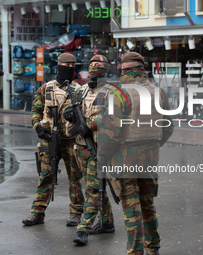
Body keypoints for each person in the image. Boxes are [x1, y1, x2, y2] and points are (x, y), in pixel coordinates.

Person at [97, 52, 174, 255]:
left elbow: (109, 134)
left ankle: (135, 251)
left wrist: (102, 158)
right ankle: (153, 247)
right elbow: (168, 127)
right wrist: (153, 144)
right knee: (148, 204)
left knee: (131, 208)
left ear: (123, 69)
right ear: (142, 68)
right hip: (150, 158)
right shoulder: (159, 92)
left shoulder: (119, 94)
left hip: (125, 159)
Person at [22, 53, 84, 227]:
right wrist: (38, 128)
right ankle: (37, 213)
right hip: (49, 139)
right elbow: (35, 111)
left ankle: (76, 213)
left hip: (72, 140)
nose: (70, 69)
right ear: (59, 66)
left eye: (73, 67)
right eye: (66, 66)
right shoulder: (45, 88)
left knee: (75, 178)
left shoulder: (79, 90)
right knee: (46, 176)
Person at [63, 55, 115, 245]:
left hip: (99, 148)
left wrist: (91, 126)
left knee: (93, 189)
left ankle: (83, 228)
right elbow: (73, 111)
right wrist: (68, 114)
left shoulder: (111, 91)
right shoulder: (82, 90)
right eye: (92, 64)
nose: (94, 67)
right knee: (96, 187)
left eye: (99, 65)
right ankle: (107, 222)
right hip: (80, 147)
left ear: (106, 68)